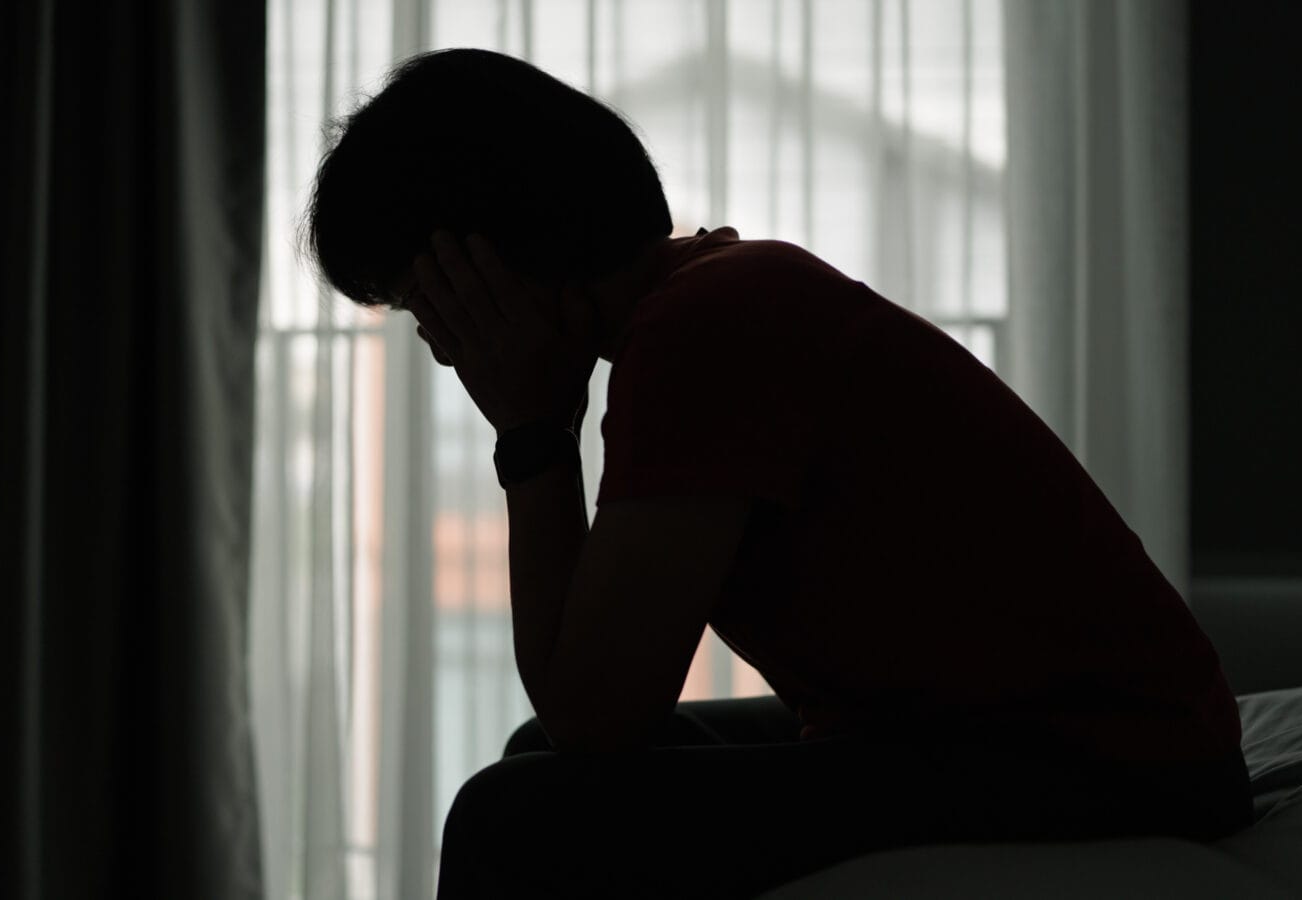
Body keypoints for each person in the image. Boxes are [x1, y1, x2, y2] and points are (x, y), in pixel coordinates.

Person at [304, 47, 1253, 900]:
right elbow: (584, 704)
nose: (440, 347)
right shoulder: (708, 296)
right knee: (533, 762)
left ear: (489, 261)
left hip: (1105, 756)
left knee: (507, 821)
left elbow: (596, 714)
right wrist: (542, 420)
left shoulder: (704, 331)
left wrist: (530, 432)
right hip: (1007, 731)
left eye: (427, 302)